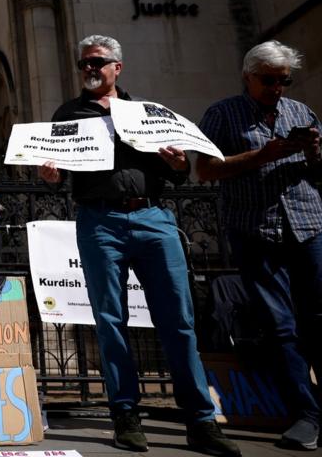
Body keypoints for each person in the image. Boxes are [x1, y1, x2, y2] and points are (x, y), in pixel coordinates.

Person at [38, 35, 240, 456]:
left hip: (152, 218)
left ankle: (201, 421)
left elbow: (180, 174)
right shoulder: (68, 114)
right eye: (84, 63)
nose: (90, 69)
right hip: (99, 221)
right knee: (110, 321)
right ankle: (125, 416)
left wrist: (178, 162)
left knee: (179, 321)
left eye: (98, 62)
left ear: (117, 67)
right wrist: (51, 174)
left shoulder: (146, 113)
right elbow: (57, 170)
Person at [196, 40, 321, 451]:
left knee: (317, 317)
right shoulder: (222, 114)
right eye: (268, 80)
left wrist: (315, 151)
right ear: (248, 76)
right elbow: (206, 170)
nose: (277, 88)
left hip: (307, 225)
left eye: (284, 80)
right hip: (255, 231)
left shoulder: (300, 112)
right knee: (281, 324)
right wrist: (260, 155)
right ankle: (307, 414)